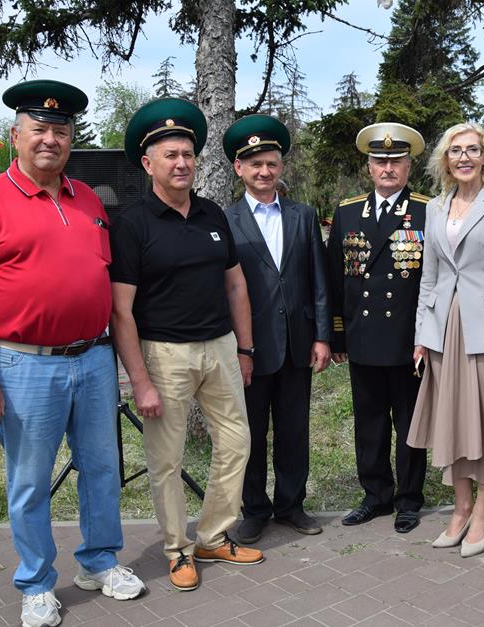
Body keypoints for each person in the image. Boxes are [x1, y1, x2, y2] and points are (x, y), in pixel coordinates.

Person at [0, 79, 145, 627]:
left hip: (94, 358)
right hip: (22, 363)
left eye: (61, 130)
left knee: (102, 469)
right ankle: (35, 583)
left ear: (71, 139)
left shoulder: (90, 201)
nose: (50, 139)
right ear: (16, 136)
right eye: (39, 129)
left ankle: (99, 562)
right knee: (30, 481)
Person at [110, 98, 263, 592]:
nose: (181, 163)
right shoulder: (132, 224)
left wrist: (245, 349)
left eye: (188, 155)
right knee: (167, 460)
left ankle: (213, 536)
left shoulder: (211, 213)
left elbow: (235, 285)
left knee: (237, 442)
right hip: (164, 355)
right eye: (170, 155)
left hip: (219, 348)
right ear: (147, 163)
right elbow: (120, 311)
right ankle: (177, 549)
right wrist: (140, 380)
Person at [407, 122, 484, 557]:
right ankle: (459, 509)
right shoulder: (436, 207)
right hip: (443, 331)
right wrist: (422, 335)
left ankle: (483, 511)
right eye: (456, 151)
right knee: (453, 422)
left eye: (472, 150)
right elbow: (430, 277)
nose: (464, 157)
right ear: (445, 159)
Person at [223, 114, 331, 541]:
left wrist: (322, 336)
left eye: (271, 163)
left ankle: (291, 505)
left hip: (297, 344)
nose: (264, 171)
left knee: (293, 430)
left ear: (281, 166)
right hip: (249, 348)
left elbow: (319, 279)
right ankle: (254, 509)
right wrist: (237, 347)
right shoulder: (226, 220)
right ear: (239, 168)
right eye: (255, 165)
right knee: (250, 432)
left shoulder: (303, 215)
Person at [328, 123, 429, 533]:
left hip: (408, 341)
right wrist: (338, 334)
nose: (388, 168)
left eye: (396, 161)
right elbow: (336, 278)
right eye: (380, 161)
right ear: (369, 167)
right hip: (363, 337)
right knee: (368, 422)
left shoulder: (427, 210)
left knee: (409, 423)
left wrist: (428, 337)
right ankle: (375, 496)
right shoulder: (349, 212)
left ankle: (409, 499)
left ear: (408, 167)